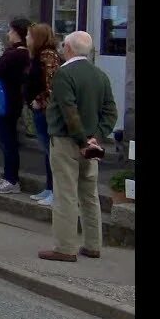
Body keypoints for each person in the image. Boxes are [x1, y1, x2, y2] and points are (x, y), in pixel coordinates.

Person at [39, 31, 116, 262]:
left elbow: (69, 111)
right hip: (91, 142)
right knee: (89, 194)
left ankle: (65, 247)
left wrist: (82, 140)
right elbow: (111, 111)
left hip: (66, 141)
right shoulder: (100, 75)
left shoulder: (64, 74)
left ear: (69, 48)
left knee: (66, 195)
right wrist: (96, 137)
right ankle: (93, 244)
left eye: (64, 45)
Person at [0, 18, 32, 195]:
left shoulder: (18, 53)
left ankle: (12, 179)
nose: (8, 34)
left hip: (8, 100)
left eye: (11, 31)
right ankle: (7, 176)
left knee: (8, 140)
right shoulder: (15, 52)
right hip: (11, 99)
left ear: (18, 33)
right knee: (5, 139)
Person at [24, 23, 62, 207]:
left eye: (29, 36)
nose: (26, 39)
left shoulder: (48, 56)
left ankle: (57, 191)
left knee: (51, 151)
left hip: (46, 110)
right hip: (38, 110)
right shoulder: (36, 56)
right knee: (47, 152)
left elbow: (52, 83)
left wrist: (39, 99)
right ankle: (49, 186)